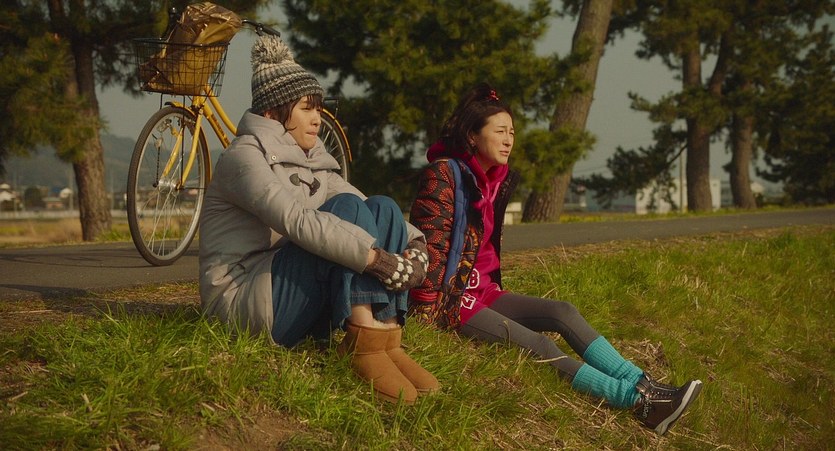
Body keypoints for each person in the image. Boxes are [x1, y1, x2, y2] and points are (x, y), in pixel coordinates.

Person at [408, 82, 701, 435]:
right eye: (499, 131)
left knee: (563, 312)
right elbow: (431, 246)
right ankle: (638, 403)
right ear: (472, 135)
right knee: (539, 344)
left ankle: (645, 385)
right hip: (453, 301)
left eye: (512, 132)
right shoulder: (443, 173)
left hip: (484, 291)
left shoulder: (493, 180)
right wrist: (426, 311)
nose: (509, 140)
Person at [198, 34, 439, 405]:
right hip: (243, 304)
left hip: (286, 289)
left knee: (382, 207)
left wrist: (416, 244)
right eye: (307, 108)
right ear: (273, 112)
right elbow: (296, 221)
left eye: (319, 108)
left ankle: (386, 337)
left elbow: (366, 205)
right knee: (346, 211)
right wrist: (378, 261)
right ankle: (362, 340)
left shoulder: (313, 160)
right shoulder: (244, 158)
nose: (318, 118)